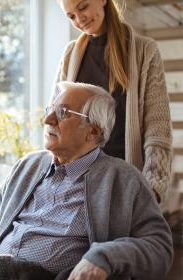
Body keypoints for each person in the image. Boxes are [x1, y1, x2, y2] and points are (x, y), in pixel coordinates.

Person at [0, 82, 173, 280]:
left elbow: (160, 248)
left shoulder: (124, 178)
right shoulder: (28, 164)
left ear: (94, 131)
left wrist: (105, 257)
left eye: (63, 113)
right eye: (51, 109)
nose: (48, 119)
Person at [54, 0, 172, 206]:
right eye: (71, 16)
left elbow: (158, 130)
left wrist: (152, 191)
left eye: (82, 7)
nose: (79, 19)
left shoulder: (145, 51)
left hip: (126, 185)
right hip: (78, 184)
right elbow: (56, 121)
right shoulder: (70, 55)